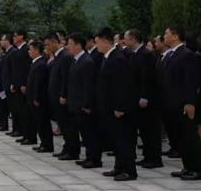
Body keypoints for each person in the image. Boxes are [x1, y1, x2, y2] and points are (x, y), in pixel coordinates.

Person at [97, 28, 139, 181]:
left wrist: (119, 107)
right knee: (116, 140)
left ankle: (129, 170)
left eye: (98, 42)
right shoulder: (108, 57)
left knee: (123, 140)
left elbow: (122, 86)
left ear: (106, 41)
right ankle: (119, 167)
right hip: (109, 107)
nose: (97, 46)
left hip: (118, 108)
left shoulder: (117, 58)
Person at [162, 26, 201, 181]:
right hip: (172, 104)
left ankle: (197, 168)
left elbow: (191, 81)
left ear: (175, 36)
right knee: (180, 138)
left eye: (166, 34)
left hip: (184, 104)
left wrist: (190, 102)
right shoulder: (171, 54)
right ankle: (187, 166)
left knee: (190, 137)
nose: (164, 36)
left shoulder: (187, 55)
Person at [124, 29, 163, 169]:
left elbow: (148, 78)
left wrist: (144, 96)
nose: (124, 41)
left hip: (148, 101)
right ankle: (148, 156)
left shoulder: (146, 54)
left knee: (151, 130)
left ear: (134, 39)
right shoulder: (135, 54)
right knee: (144, 131)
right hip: (137, 99)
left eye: (126, 38)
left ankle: (154, 158)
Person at [61, 33, 93, 162]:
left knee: (88, 133)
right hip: (74, 103)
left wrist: (87, 105)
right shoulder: (76, 60)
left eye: (70, 44)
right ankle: (78, 153)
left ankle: (92, 158)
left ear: (79, 45)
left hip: (82, 105)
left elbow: (88, 86)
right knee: (78, 130)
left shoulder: (86, 61)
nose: (68, 47)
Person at [45, 32, 72, 158]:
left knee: (67, 125)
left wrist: (63, 94)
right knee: (62, 123)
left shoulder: (65, 56)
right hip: (55, 96)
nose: (46, 47)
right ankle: (67, 148)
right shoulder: (57, 56)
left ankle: (72, 150)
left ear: (55, 42)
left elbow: (65, 78)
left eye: (48, 44)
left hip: (61, 97)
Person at [155, 34, 181, 159]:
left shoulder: (183, 54)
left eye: (167, 34)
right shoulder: (165, 56)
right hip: (165, 98)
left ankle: (178, 148)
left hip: (175, 99)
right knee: (170, 125)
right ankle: (174, 146)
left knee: (177, 127)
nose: (165, 37)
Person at [25, 40, 50, 149]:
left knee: (42, 122)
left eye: (30, 49)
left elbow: (39, 83)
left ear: (36, 50)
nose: (29, 52)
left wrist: (36, 97)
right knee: (38, 121)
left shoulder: (40, 64)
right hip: (32, 97)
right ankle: (43, 143)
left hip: (38, 98)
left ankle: (46, 144)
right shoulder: (35, 62)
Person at [8, 30, 30, 138]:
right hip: (16, 83)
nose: (13, 37)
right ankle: (18, 130)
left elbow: (26, 69)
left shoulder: (26, 49)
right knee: (17, 109)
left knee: (23, 110)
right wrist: (13, 83)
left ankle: (24, 132)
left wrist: (23, 83)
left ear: (22, 36)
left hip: (22, 85)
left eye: (15, 36)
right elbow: (15, 69)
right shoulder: (17, 50)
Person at [0, 34, 15, 131]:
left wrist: (12, 83)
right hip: (4, 84)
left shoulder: (13, 52)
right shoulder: (5, 53)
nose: (1, 41)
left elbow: (14, 70)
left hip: (10, 85)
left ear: (7, 40)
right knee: (6, 107)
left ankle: (17, 129)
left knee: (13, 109)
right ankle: (7, 126)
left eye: (2, 39)